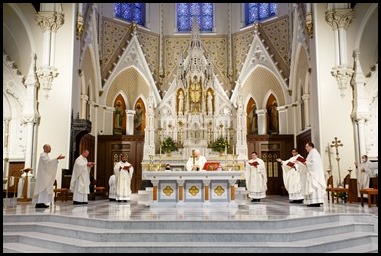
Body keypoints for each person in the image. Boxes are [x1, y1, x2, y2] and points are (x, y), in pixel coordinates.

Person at [33, 144, 65, 208]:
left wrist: (56, 160)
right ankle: (39, 203)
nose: (50, 149)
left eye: (50, 148)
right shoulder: (43, 155)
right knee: (43, 188)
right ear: (44, 148)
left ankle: (41, 202)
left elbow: (49, 163)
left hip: (45, 176)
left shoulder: (46, 155)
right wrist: (56, 158)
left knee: (45, 189)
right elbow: (48, 162)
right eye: (48, 148)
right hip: (43, 176)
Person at [301, 142, 326, 207]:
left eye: (307, 147)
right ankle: (312, 202)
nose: (306, 148)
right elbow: (309, 162)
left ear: (311, 146)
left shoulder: (315, 153)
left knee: (314, 187)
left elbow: (313, 164)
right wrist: (305, 163)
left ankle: (316, 202)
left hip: (315, 174)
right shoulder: (310, 154)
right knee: (311, 187)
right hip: (311, 173)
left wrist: (306, 163)